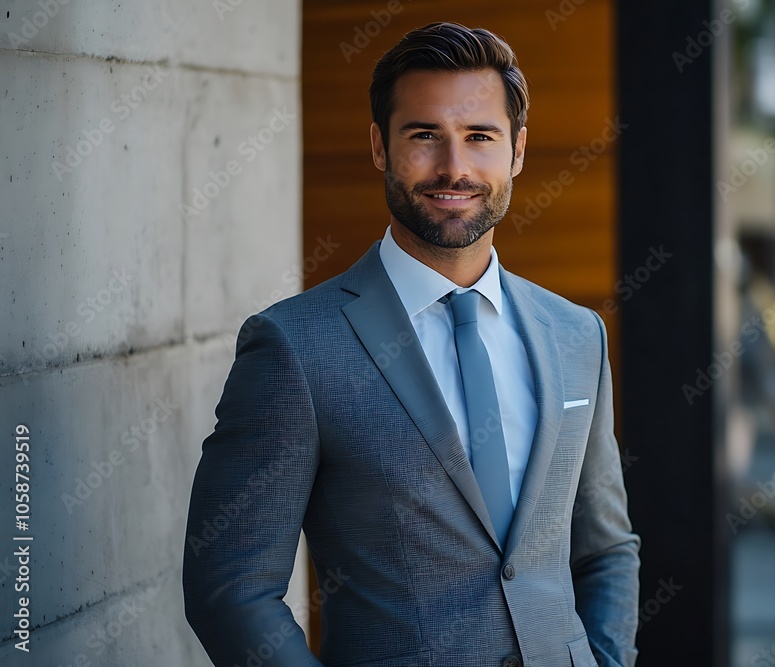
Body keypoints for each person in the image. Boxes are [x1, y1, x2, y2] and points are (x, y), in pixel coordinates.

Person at [182, 21, 640, 667]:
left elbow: (605, 547)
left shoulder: (576, 334)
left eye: (480, 136)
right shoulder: (295, 347)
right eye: (424, 135)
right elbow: (230, 586)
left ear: (517, 151)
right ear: (379, 145)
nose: (454, 167)